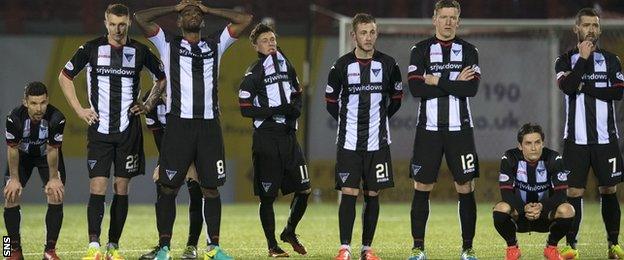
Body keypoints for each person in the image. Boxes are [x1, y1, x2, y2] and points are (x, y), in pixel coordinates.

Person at [134, 0, 252, 259]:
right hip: (178, 126)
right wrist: (173, 7)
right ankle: (164, 248)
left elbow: (244, 20)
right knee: (168, 187)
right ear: (178, 21)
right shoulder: (168, 43)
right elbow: (140, 18)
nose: (191, 15)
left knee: (210, 188)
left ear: (203, 20)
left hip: (209, 127)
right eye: (186, 13)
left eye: (196, 13)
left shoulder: (215, 43)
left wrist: (209, 9)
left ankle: (214, 248)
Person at [57, 3, 167, 259]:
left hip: (128, 131)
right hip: (100, 131)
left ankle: (112, 247)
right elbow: (65, 76)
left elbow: (161, 77)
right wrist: (79, 110)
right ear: (106, 23)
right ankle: (93, 246)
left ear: (128, 24)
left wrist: (148, 103)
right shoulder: (91, 49)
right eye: (113, 24)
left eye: (123, 25)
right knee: (97, 186)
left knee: (121, 188)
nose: (118, 30)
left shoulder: (139, 51)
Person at [325, 13, 403, 260]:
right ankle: (345, 248)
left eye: (372, 32)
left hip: (377, 142)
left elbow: (397, 99)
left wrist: (377, 120)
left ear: (376, 34)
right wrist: (350, 122)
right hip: (348, 141)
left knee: (372, 193)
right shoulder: (340, 66)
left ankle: (366, 249)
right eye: (363, 33)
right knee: (349, 192)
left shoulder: (390, 64)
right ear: (354, 36)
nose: (368, 37)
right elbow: (330, 102)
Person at [406, 0, 481, 259]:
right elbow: (416, 90)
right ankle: (418, 248)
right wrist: (453, 82)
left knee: (465, 185)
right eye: (444, 17)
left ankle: (467, 248)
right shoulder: (420, 50)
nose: (448, 22)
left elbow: (470, 89)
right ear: (434, 19)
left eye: (453, 17)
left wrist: (436, 80)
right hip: (428, 130)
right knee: (422, 186)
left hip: (460, 130)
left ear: (458, 21)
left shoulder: (469, 51)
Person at [555, 7, 624, 259]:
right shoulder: (564, 60)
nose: (591, 30)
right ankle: (571, 246)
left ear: (600, 29)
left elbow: (617, 92)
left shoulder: (611, 60)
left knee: (609, 190)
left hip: (606, 140)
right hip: (576, 141)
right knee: (573, 192)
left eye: (595, 25)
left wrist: (585, 86)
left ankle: (613, 244)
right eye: (586, 25)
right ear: (577, 29)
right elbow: (568, 87)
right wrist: (583, 61)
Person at [238, 23, 311, 257]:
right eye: (265, 40)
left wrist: (295, 108)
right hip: (267, 139)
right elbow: (245, 109)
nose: (271, 43)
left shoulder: (284, 63)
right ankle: (272, 246)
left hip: (289, 137)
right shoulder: (253, 72)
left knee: (305, 189)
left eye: (272, 39)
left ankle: (289, 231)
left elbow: (297, 91)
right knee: (267, 196)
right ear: (255, 46)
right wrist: (276, 110)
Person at [493, 123, 575, 260]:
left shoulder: (554, 158)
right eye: (528, 143)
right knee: (500, 208)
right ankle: (512, 248)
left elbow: (561, 194)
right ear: (520, 146)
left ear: (543, 143)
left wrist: (542, 206)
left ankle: (551, 248)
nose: (533, 148)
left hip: (545, 214)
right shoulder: (509, 158)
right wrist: (524, 208)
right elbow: (506, 193)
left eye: (537, 142)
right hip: (520, 214)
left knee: (568, 210)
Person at [139, 90, 204, 260]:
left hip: (195, 148)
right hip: (170, 150)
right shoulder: (149, 100)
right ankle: (163, 246)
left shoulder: (186, 90)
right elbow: (159, 136)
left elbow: (197, 129)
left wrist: (191, 163)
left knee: (196, 191)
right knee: (163, 189)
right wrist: (163, 163)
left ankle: (192, 246)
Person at [3, 82, 66, 260]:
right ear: (25, 102)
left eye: (43, 103)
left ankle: (50, 251)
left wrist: (54, 178)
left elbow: (53, 149)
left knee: (56, 193)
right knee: (10, 194)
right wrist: (14, 179)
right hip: (21, 157)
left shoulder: (57, 118)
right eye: (33, 103)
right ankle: (10, 250)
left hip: (47, 156)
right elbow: (12, 149)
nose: (39, 108)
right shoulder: (13, 118)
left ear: (47, 101)